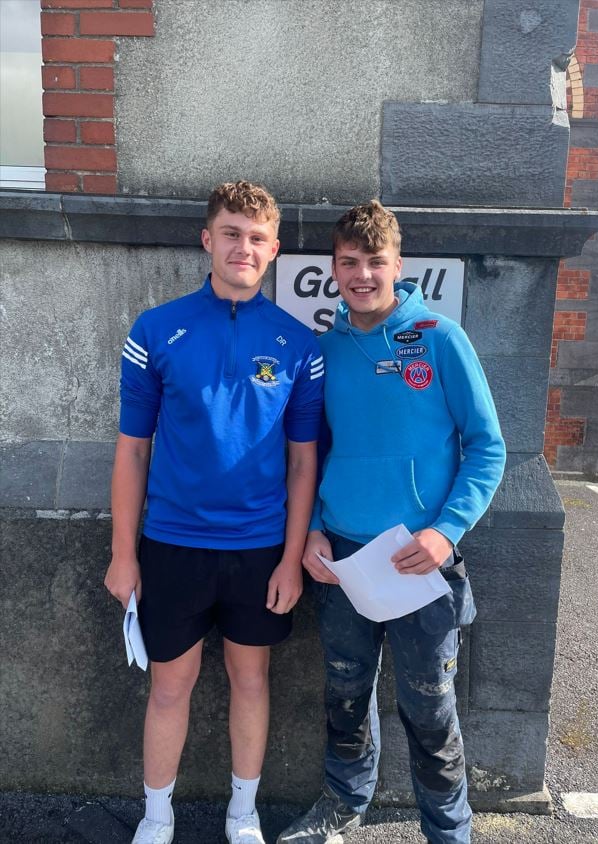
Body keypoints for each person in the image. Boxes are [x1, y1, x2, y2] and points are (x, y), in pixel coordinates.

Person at [277, 201, 506, 844]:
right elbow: (310, 453)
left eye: (375, 262)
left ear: (398, 266)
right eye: (349, 262)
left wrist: (446, 531)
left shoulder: (440, 338)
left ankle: (448, 831)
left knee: (430, 709)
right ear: (333, 269)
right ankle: (344, 802)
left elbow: (487, 447)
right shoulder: (325, 351)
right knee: (345, 694)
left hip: (420, 559)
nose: (362, 275)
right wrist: (313, 528)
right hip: (343, 558)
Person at [104, 181, 324, 844]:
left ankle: (242, 812)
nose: (242, 248)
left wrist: (291, 559)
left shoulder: (297, 343)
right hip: (171, 544)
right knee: (169, 688)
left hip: (260, 549)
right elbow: (132, 450)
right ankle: (157, 815)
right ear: (207, 239)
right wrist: (122, 554)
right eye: (231, 233)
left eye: (257, 238)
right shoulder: (155, 330)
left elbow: (303, 463)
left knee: (250, 680)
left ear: (274, 250)